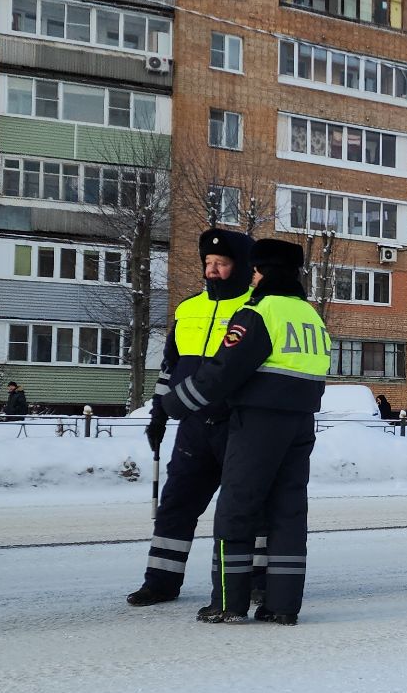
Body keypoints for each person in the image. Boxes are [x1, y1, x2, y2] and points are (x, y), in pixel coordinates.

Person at [163, 238, 329, 625]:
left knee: (237, 509)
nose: (251, 277)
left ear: (266, 272)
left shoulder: (259, 311)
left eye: (255, 271)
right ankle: (282, 605)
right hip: (301, 421)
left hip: (257, 422)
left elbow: (225, 370)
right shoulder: (310, 315)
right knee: (287, 513)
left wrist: (176, 403)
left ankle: (228, 603)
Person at [125, 227, 254, 607]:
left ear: (242, 266)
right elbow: (171, 367)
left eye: (222, 263)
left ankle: (258, 581)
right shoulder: (188, 308)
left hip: (238, 425)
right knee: (175, 505)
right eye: (209, 263)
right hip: (194, 428)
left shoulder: (255, 308)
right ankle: (161, 582)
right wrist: (159, 413)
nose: (212, 270)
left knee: (248, 510)